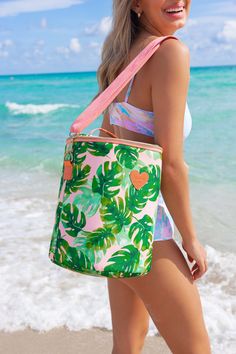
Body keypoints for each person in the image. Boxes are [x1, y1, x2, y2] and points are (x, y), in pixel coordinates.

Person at [97, 1, 211, 353]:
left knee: (127, 347)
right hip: (144, 227)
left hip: (113, 218)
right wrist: (190, 238)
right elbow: (171, 164)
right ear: (135, 4)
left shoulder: (122, 57)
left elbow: (107, 137)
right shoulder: (169, 54)